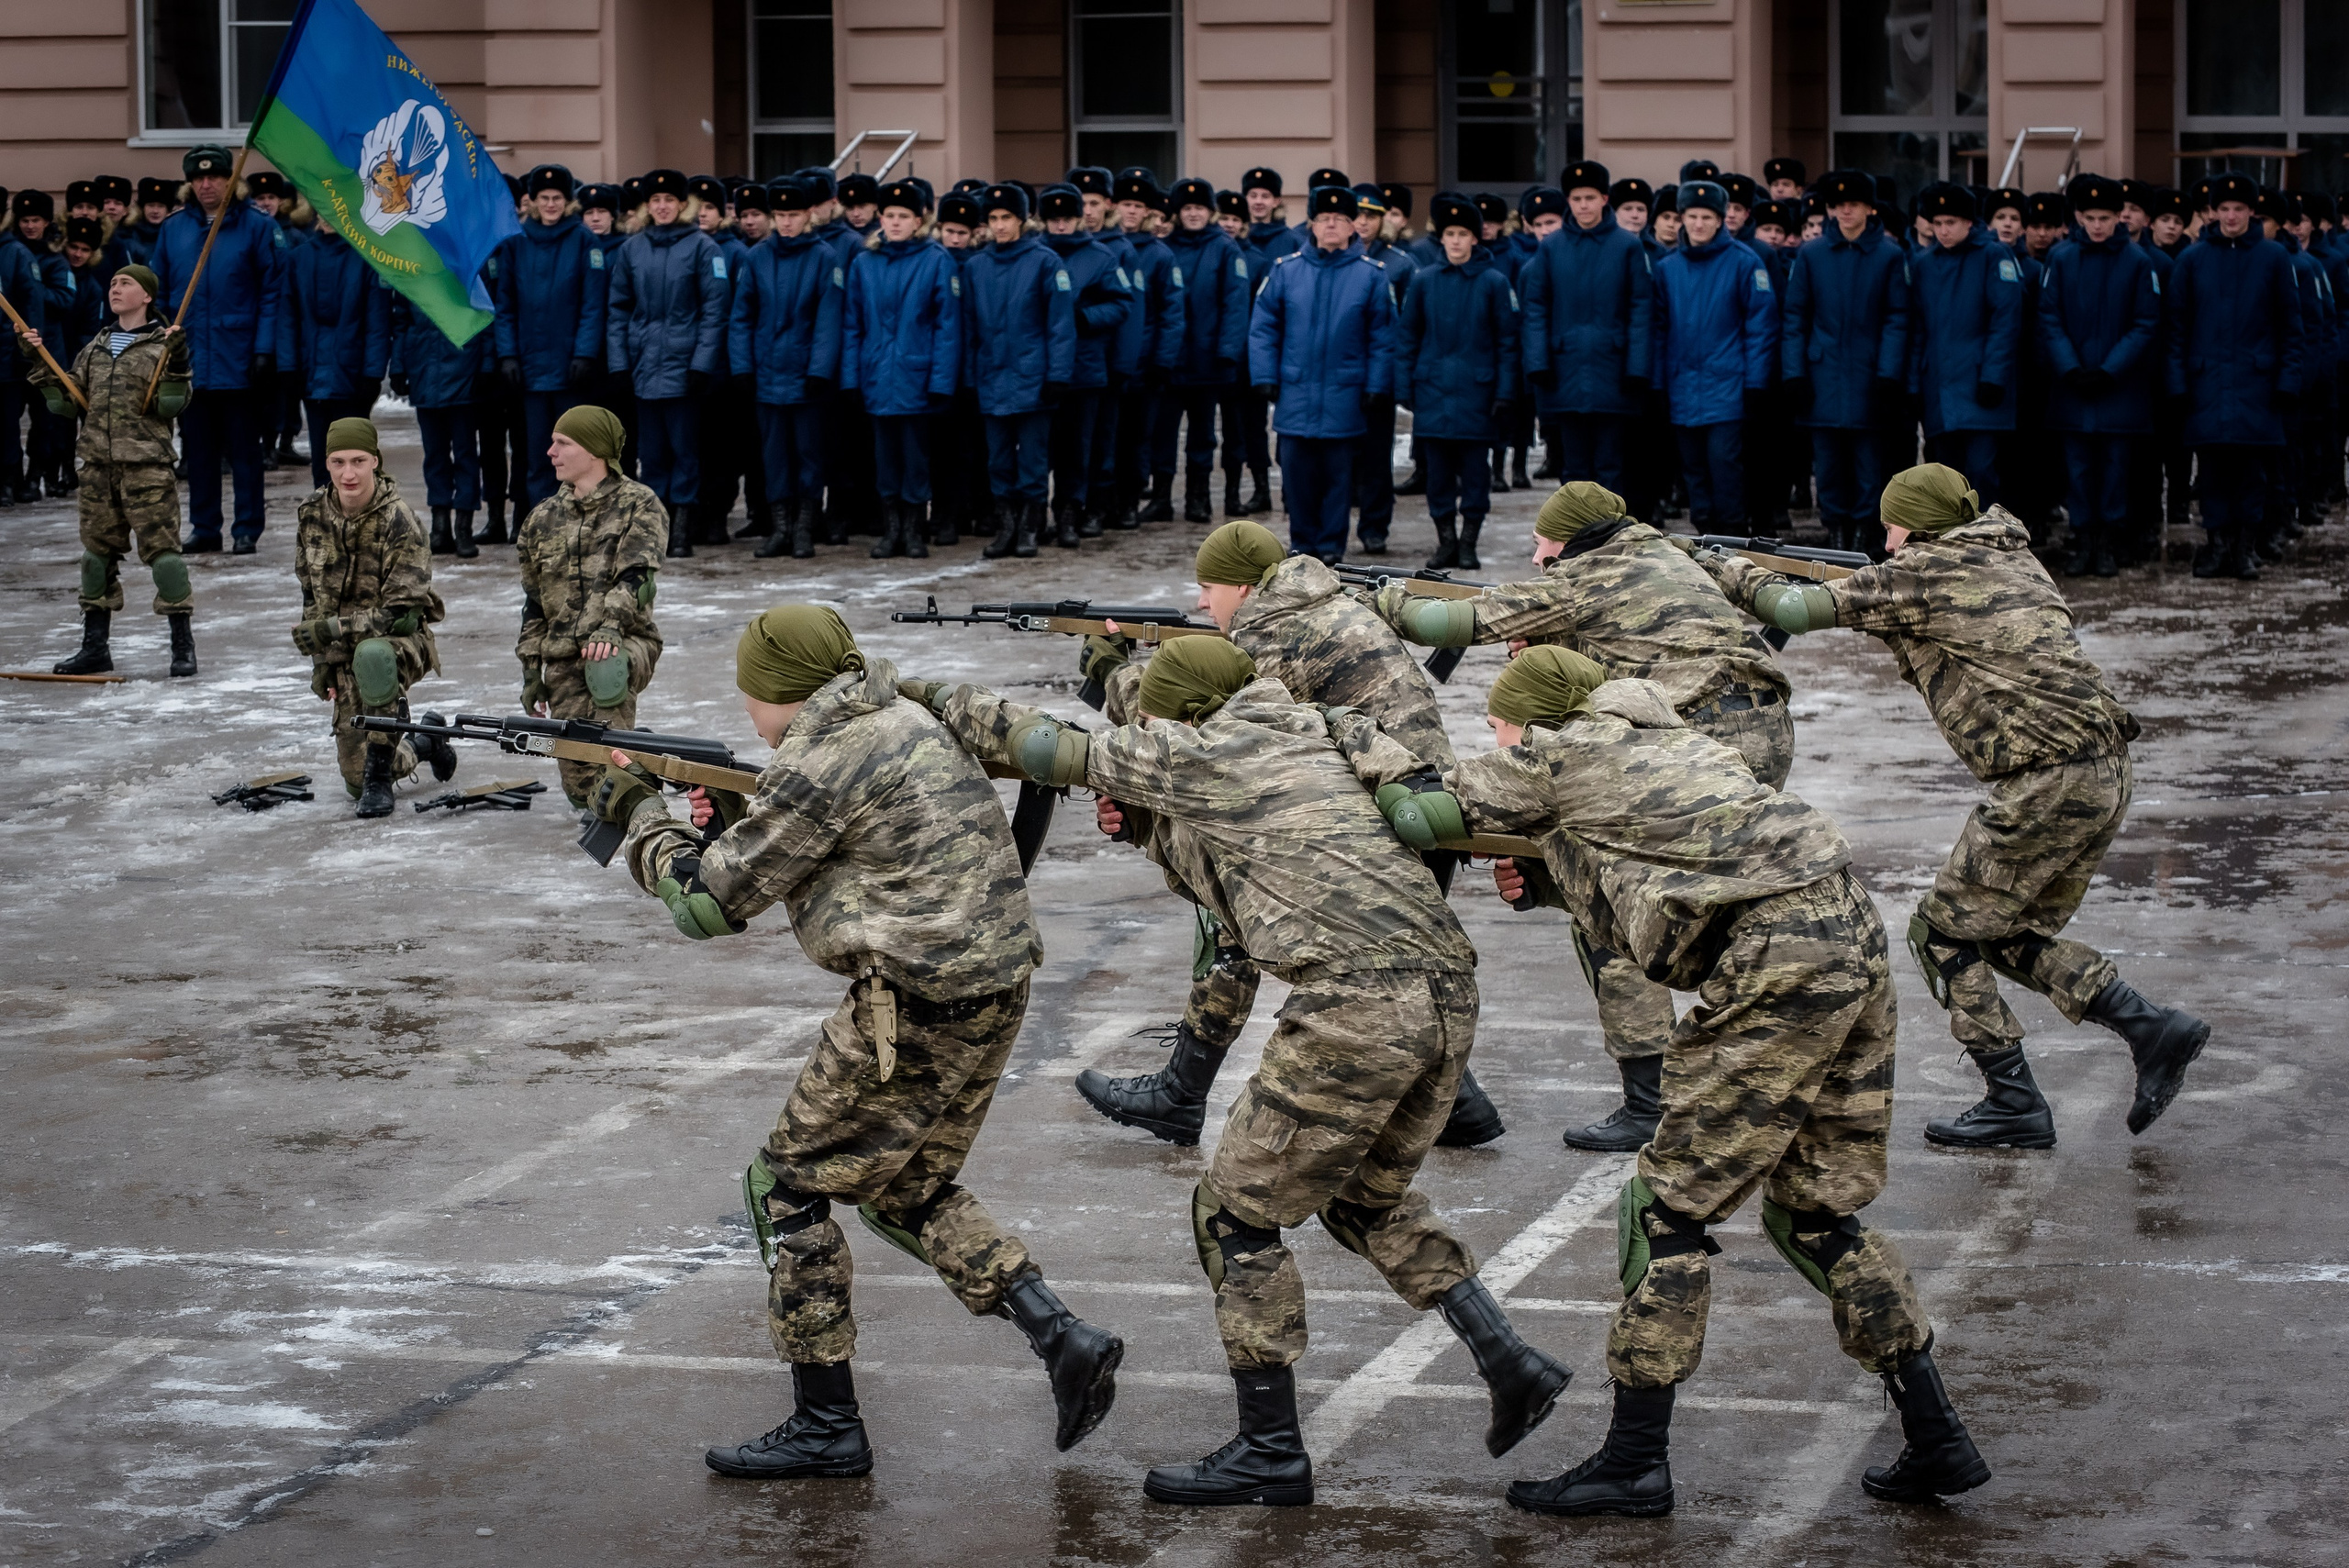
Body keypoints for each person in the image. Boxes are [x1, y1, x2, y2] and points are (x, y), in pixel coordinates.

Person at [928, 637, 1567, 1507]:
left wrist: (916, 688)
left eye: (1154, 717)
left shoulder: (1209, 748)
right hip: (1445, 991)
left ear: (1185, 713)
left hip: (1357, 1002)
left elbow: (1038, 742)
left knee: (1231, 1213)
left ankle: (1270, 1447)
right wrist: (1154, 824)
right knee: (1365, 1199)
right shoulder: (1310, 729)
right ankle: (1511, 1361)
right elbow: (1253, 864)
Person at [1367, 648, 1984, 1518]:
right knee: (1814, 1211)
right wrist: (1552, 878)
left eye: (1500, 725)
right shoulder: (1669, 739)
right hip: (1845, 929)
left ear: (1534, 722)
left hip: (1775, 961)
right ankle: (1937, 1432)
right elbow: (1664, 869)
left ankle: (1634, 1461)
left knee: (1664, 1210)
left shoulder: (1563, 754)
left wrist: (1364, 743)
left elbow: (1421, 811)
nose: (1495, 740)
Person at [596, 606, 1123, 1479]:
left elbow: (706, 905)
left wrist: (641, 815)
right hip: (993, 982)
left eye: (750, 690)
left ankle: (826, 1422)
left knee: (786, 1187)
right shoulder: (897, 715)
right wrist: (730, 811)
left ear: (782, 690)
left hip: (915, 1000)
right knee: (901, 1183)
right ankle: (1061, 1334)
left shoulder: (818, 759)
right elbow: (828, 842)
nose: (744, 706)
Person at [1698, 462, 2209, 1149]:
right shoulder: (2005, 556)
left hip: (2046, 780)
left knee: (1940, 935)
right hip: (2100, 771)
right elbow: (1918, 618)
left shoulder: (1928, 570)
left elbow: (1791, 612)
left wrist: (1722, 568)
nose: (1885, 541)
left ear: (1921, 524)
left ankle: (2014, 1098)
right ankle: (2149, 1026)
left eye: (1892, 525)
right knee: (1996, 932)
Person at [1375, 481, 1791, 1150]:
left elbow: (1445, 623)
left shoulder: (1585, 574)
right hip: (1753, 731)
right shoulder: (1660, 552)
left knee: (1611, 904)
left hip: (1698, 736)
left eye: (1545, 554)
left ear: (1570, 543)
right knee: (1693, 899)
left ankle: (1652, 1098)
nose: (1542, 566)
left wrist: (1377, 597)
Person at [1074, 519, 1506, 1151]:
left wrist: (1115, 673)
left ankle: (1181, 1092)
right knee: (1385, 964)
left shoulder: (1272, 632)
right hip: (1407, 807)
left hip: (1384, 816)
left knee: (1240, 918)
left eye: (1209, 587)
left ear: (1245, 588)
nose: (1201, 602)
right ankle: (1459, 1106)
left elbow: (1207, 730)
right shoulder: (1316, 605)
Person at [26, 264, 196, 677]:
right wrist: (38, 361)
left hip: (147, 468)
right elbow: (67, 404)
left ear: (147, 297)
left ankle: (182, 645)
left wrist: (178, 362)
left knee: (166, 559)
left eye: (126, 283)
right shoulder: (95, 349)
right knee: (95, 559)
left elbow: (172, 406)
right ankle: (94, 647)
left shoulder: (161, 347)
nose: (115, 289)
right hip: (99, 467)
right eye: (113, 283)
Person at [290, 417, 456, 817]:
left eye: (359, 461)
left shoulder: (399, 519)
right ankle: (424, 741)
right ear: (326, 464)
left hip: (400, 642)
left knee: (374, 658)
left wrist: (331, 631)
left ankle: (380, 780)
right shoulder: (312, 514)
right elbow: (311, 594)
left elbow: (400, 612)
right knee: (352, 778)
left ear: (376, 462)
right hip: (344, 648)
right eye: (338, 462)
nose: (349, 473)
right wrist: (322, 664)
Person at [515, 406, 666, 806]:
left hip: (625, 641)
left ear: (596, 451)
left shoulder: (639, 504)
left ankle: (623, 776)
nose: (551, 452)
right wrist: (531, 669)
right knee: (581, 793)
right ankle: (638, 756)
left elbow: (636, 578)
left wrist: (610, 626)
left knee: (607, 669)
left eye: (563, 443)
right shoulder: (541, 520)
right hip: (564, 654)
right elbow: (534, 604)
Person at [152, 146, 290, 555]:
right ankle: (205, 526)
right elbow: (156, 289)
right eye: (198, 178)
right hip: (189, 356)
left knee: (245, 450)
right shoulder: (174, 230)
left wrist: (265, 349)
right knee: (198, 451)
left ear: (232, 180)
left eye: (214, 178)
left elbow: (271, 293)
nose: (206, 184)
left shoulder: (256, 228)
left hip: (240, 354)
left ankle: (246, 527)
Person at [1249, 183, 1397, 564]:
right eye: (1324, 219)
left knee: (1338, 479)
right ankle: (1302, 544)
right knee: (1297, 478)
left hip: (1345, 395)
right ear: (1311, 225)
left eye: (1341, 219)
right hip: (1295, 394)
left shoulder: (1371, 276)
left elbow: (1383, 336)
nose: (1332, 225)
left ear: (1353, 227)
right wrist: (1265, 375)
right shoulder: (1285, 271)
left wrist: (1377, 384)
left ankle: (1331, 547)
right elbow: (1263, 327)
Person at [2167, 172, 2303, 580]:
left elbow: (2291, 328)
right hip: (2207, 385)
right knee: (2210, 475)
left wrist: (2287, 382)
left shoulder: (2273, 258)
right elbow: (2176, 328)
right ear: (2213, 212)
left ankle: (2244, 548)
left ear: (2251, 211)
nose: (2230, 216)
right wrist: (2177, 383)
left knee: (2251, 475)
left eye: (2238, 209)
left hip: (2256, 387)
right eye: (2223, 209)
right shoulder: (2192, 259)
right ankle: (2216, 547)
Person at [2035, 174, 2161, 579]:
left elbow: (2145, 323)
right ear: (2077, 216)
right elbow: (2048, 316)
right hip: (2073, 386)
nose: (2097, 225)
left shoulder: (2138, 261)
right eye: (2089, 217)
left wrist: (2110, 370)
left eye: (2105, 217)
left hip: (2118, 389)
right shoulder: (2061, 257)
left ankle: (2108, 541)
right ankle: (2083, 539)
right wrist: (2069, 367)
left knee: (2115, 470)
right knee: (2078, 470)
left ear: (2118, 218)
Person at [1783, 169, 1912, 554]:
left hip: (1869, 377)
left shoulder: (1889, 255)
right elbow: (1795, 317)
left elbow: (1897, 317)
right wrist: (1794, 374)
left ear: (1870, 208)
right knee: (1828, 465)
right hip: (1822, 376)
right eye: (1838, 205)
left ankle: (1864, 531)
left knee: (1869, 464)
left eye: (1853, 204)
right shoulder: (1811, 254)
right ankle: (1835, 529)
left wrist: (1888, 373)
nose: (1845, 212)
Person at [605, 168, 727, 557]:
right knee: (651, 454)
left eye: (670, 200)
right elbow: (618, 309)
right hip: (643, 367)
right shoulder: (632, 249)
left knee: (685, 451)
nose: (662, 207)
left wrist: (701, 364)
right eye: (655, 201)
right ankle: (656, 527)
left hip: (684, 366)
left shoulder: (704, 248)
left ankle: (683, 530)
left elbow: (715, 310)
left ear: (683, 204)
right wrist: (619, 362)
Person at [839, 179, 963, 560]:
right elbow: (852, 324)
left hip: (916, 379)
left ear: (919, 219)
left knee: (915, 458)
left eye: (903, 216)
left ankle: (913, 529)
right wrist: (851, 377)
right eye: (889, 215)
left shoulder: (936, 260)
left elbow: (947, 327)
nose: (894, 223)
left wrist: (941, 381)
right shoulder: (864, 261)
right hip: (877, 377)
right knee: (885, 458)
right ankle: (890, 529)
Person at [1397, 192, 1520, 570]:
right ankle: (1445, 541)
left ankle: (1469, 543)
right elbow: (1408, 337)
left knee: (1475, 476)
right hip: (1432, 393)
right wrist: (1405, 387)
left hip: (1477, 396)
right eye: (1449, 233)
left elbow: (1507, 342)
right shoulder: (1424, 281)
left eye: (1463, 233)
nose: (1455, 241)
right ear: (1441, 237)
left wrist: (1504, 391)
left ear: (1475, 238)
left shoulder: (1494, 283)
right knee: (1437, 478)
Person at [1519, 160, 1653, 500]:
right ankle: (1577, 540)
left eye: (1590, 197)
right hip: (1565, 371)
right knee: (1574, 468)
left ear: (1604, 199)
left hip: (1614, 371)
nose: (1583, 205)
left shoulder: (1626, 246)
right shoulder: (1552, 246)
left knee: (1611, 465)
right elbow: (1536, 307)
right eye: (1576, 198)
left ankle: (1611, 540)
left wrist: (1637, 367)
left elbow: (1640, 307)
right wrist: (1538, 362)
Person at [960, 183, 1075, 561]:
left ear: (1022, 219)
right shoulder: (976, 266)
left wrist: (1057, 375)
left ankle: (1029, 527)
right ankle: (1005, 525)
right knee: (998, 459)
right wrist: (969, 378)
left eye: (1007, 217)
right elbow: (969, 329)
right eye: (993, 218)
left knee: (1032, 460)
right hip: (992, 378)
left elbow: (1060, 325)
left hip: (1033, 380)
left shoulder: (1045, 262)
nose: (1000, 225)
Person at [1651, 181, 1776, 532]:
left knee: (1726, 469)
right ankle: (1705, 539)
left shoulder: (1745, 263)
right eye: (1691, 216)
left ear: (1721, 220)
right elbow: (1659, 331)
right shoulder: (1667, 268)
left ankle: (1733, 541)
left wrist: (1755, 384)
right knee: (1693, 473)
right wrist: (1659, 384)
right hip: (1682, 388)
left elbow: (1761, 329)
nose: (1699, 224)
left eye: (1707, 216)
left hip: (1729, 390)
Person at [729, 177, 843, 561]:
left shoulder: (824, 257)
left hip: (807, 377)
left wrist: (819, 370)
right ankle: (780, 528)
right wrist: (743, 367)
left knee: (809, 453)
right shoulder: (757, 257)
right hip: (767, 374)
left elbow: (829, 320)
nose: (786, 223)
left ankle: (804, 528)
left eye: (793, 215)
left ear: (808, 214)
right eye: (780, 215)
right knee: (774, 455)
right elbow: (742, 317)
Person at [492, 164, 607, 515]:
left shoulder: (585, 241)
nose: (551, 204)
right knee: (537, 452)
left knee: (575, 452)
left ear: (567, 201)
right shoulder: (515, 242)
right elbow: (505, 303)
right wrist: (508, 354)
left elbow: (592, 304)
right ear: (533, 201)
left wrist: (585, 353)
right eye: (544, 198)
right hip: (529, 368)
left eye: (558, 198)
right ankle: (540, 521)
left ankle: (579, 517)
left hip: (571, 368)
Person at [1909, 183, 2023, 506]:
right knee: (1944, 475)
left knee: (1981, 472)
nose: (1943, 231)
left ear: (1969, 223)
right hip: (1939, 387)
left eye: (1951, 223)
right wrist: (1913, 383)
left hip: (1980, 386)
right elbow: (1918, 328)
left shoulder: (1993, 256)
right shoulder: (1923, 263)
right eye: (1937, 224)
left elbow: (2005, 321)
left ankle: (1983, 541)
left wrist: (1993, 377)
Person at [1159, 176, 1251, 525]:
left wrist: (1227, 351)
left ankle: (1198, 499)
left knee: (1202, 437)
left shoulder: (1226, 248)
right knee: (1164, 434)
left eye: (1199, 208)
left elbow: (1236, 303)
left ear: (1210, 212)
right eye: (1187, 208)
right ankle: (1162, 498)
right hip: (1171, 361)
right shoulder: (1166, 247)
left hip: (1208, 362)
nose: (1193, 214)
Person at [282, 212, 389, 491]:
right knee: (324, 460)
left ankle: (359, 527)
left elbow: (377, 321)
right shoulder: (299, 258)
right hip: (312, 376)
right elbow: (288, 318)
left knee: (356, 461)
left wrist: (373, 372)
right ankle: (327, 526)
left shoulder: (366, 258)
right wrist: (288, 367)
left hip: (353, 378)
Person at [388, 290, 489, 559]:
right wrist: (398, 366)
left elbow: (487, 316)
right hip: (424, 370)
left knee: (466, 453)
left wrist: (487, 366)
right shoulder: (414, 266)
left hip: (464, 370)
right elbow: (401, 322)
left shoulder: (465, 263)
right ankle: (440, 525)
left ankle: (463, 527)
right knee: (435, 454)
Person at [1111, 171, 1186, 528]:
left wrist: (1162, 361)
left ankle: (1130, 500)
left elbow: (1172, 313)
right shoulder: (1105, 247)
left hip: (1145, 365)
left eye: (1138, 206)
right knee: (1106, 437)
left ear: (1148, 212)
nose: (1130, 211)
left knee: (1137, 438)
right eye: (1125, 203)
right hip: (1108, 364)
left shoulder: (1159, 255)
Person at [0, 197, 50, 508]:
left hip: (5, 356)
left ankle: (9, 481)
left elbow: (31, 306)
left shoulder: (16, 254)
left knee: (6, 426)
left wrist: (26, 351)